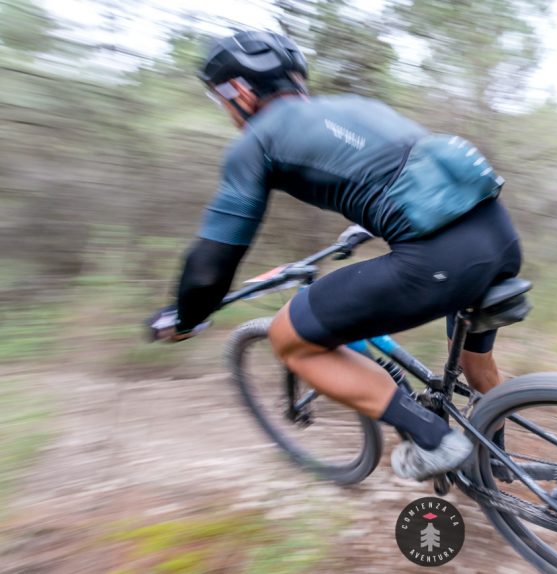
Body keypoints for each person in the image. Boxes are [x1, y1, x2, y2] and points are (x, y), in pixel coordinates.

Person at [148, 30, 521, 481]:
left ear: (240, 92)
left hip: (440, 261)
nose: (225, 110)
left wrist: (186, 318)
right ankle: (498, 462)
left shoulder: (255, 143)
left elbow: (210, 267)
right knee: (475, 364)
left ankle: (434, 440)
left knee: (290, 337)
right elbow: (404, 171)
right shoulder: (355, 107)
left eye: (220, 99)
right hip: (499, 237)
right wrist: (368, 225)